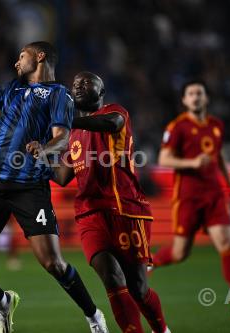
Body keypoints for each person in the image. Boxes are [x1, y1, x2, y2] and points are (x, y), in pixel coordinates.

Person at [0, 42, 108, 333]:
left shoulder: (59, 94)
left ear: (40, 57)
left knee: (54, 264)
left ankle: (93, 316)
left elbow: (62, 137)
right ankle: (2, 302)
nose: (16, 62)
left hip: (29, 187)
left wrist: (45, 148)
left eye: (21, 57)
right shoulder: (11, 89)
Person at [28, 71, 169, 333]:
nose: (78, 86)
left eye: (85, 82)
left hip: (125, 208)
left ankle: (162, 330)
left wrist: (70, 123)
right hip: (90, 214)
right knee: (112, 279)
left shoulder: (116, 112)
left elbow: (112, 124)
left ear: (101, 91)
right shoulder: (74, 137)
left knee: (138, 288)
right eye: (75, 84)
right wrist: (41, 157)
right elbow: (62, 176)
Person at [152, 80, 230, 320]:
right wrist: (191, 163)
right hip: (188, 197)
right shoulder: (177, 127)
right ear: (184, 100)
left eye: (199, 93)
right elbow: (164, 158)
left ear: (206, 98)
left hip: (213, 195)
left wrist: (229, 180)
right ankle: (149, 262)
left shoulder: (216, 125)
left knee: (226, 242)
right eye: (191, 94)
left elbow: (218, 154)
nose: (195, 97)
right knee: (181, 253)